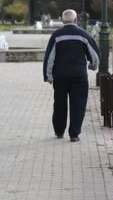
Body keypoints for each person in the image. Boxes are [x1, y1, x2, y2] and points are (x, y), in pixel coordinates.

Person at [43, 9, 100, 142]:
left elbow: (49, 57)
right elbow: (95, 55)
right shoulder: (83, 35)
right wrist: (92, 66)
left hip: (60, 76)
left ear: (63, 21)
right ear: (76, 20)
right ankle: (74, 134)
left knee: (59, 104)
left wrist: (48, 75)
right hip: (79, 76)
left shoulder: (56, 35)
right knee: (78, 104)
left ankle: (59, 131)